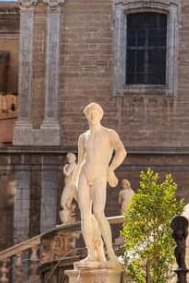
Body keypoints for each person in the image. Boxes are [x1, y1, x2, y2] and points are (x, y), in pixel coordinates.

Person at [75, 103, 127, 266]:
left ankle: (110, 252)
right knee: (84, 214)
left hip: (100, 175)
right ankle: (91, 253)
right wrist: (72, 184)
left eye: (95, 112)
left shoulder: (109, 133)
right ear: (86, 116)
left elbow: (122, 151)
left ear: (101, 114)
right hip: (83, 174)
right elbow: (80, 160)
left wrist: (111, 169)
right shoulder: (83, 137)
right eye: (89, 113)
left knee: (98, 212)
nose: (92, 116)